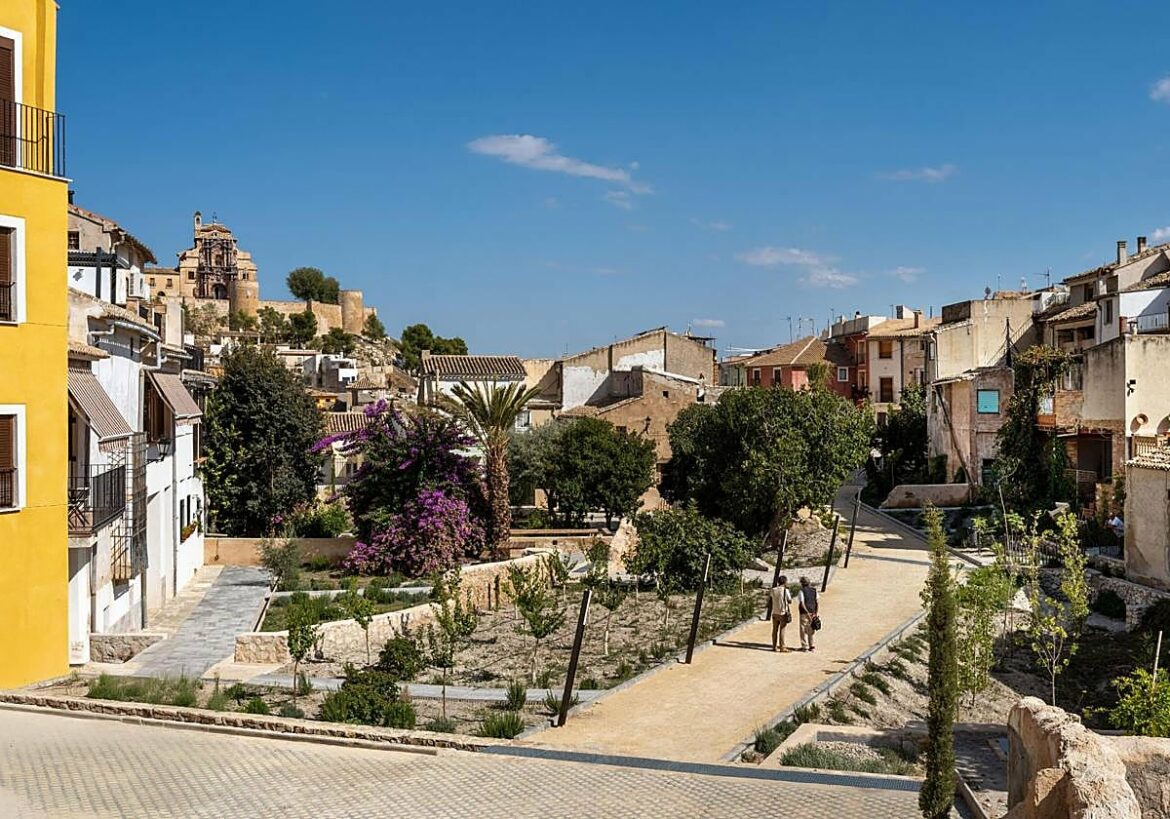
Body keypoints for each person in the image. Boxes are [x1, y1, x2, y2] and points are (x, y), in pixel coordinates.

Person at [769, 576, 793, 652]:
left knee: (774, 630)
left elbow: (772, 598)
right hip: (783, 612)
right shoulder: (785, 590)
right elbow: (789, 600)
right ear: (785, 582)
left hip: (775, 612)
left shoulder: (773, 590)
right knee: (782, 630)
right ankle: (782, 647)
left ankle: (774, 646)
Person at [798, 576, 820, 652]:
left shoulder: (801, 591)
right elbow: (817, 602)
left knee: (803, 629)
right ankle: (812, 645)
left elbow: (802, 603)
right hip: (813, 612)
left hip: (804, 613)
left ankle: (805, 646)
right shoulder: (814, 591)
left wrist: (806, 612)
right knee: (811, 629)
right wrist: (815, 613)